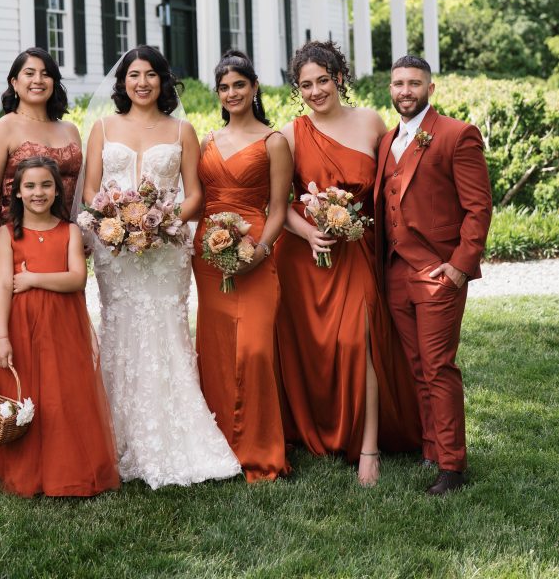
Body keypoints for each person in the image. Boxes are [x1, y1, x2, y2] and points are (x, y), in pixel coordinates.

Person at [82, 46, 240, 488]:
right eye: (134, 75)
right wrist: (114, 221)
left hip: (167, 249)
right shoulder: (102, 128)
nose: (142, 83)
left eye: (151, 74)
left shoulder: (182, 130)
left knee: (166, 330)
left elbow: (196, 195)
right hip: (114, 249)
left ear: (163, 80)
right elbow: (89, 189)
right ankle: (114, 436)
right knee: (120, 328)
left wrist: (163, 221)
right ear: (122, 82)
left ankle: (175, 436)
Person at [275, 41, 420, 487]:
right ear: (298, 89)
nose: (316, 91)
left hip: (359, 249)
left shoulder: (371, 122)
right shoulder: (289, 134)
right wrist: (308, 232)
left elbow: (394, 185)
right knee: (317, 347)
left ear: (339, 78)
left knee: (362, 340)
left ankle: (369, 447)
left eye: (323, 80)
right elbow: (277, 207)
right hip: (308, 257)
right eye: (306, 85)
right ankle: (319, 427)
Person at [0, 156, 119, 497]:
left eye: (46, 185)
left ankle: (64, 468)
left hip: (63, 326)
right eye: (29, 186)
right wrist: (2, 337)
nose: (38, 192)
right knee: (24, 392)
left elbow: (76, 279)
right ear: (17, 192)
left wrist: (33, 278)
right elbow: (4, 285)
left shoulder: (70, 231)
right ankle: (22, 468)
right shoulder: (6, 234)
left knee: (62, 395)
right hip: (20, 325)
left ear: (57, 190)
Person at [375, 55, 491, 495]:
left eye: (414, 83)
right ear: (390, 88)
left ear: (430, 88)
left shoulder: (457, 134)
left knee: (439, 366)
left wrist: (460, 267)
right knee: (416, 365)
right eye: (398, 83)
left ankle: (452, 466)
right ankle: (430, 447)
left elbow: (479, 207)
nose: (405, 91)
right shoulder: (387, 141)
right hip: (395, 271)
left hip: (438, 270)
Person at [193, 50, 293, 482]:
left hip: (256, 248)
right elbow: (198, 199)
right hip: (208, 256)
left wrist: (261, 250)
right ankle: (218, 448)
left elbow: (278, 208)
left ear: (254, 88)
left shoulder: (274, 142)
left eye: (239, 85)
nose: (231, 93)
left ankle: (260, 449)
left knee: (254, 351)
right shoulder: (208, 141)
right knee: (215, 351)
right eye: (224, 87)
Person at [0, 48, 82, 217]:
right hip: (18, 229)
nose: (38, 80)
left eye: (46, 74)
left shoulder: (70, 129)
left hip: (69, 228)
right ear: (14, 82)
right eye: (29, 73)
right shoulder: (5, 127)